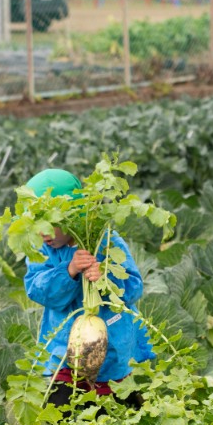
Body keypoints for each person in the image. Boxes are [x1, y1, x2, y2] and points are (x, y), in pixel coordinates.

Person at [21, 169, 153, 411]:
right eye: (37, 225)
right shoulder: (42, 250)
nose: (44, 233)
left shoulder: (107, 241)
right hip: (64, 347)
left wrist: (107, 276)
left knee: (120, 415)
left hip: (113, 344)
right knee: (58, 414)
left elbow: (134, 288)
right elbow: (37, 289)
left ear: (71, 216)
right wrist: (68, 270)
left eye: (51, 225)